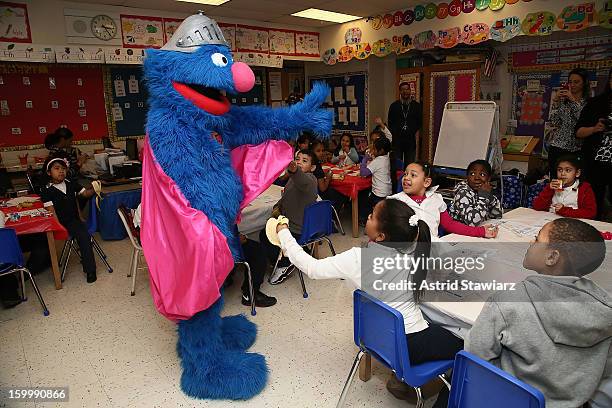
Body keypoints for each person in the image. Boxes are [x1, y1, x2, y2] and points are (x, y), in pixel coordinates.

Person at [273, 198, 463, 408]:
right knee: (469, 349)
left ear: (381, 236)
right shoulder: (415, 251)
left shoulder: (358, 258)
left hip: (375, 337)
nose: (368, 217)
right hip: (410, 343)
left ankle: (402, 385)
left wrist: (283, 232)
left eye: (371, 216)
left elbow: (312, 268)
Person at [466, 218, 611, 408]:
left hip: (510, 400)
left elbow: (475, 357)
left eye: (537, 239)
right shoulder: (605, 308)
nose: (530, 242)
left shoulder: (508, 301)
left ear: (552, 257)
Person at [389, 161, 498, 239]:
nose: (406, 178)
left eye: (413, 175)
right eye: (406, 174)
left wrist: (481, 231)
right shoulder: (395, 202)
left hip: (431, 251)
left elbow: (450, 225)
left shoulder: (436, 199)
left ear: (426, 182)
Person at [261, 149, 318, 285]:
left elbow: (302, 181)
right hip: (289, 222)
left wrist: (293, 170)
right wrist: (278, 206)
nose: (299, 162)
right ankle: (296, 253)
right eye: (297, 159)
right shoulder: (293, 180)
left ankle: (286, 262)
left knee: (265, 235)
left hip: (297, 229)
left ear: (313, 167)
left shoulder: (310, 179)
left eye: (305, 161)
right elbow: (286, 196)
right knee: (265, 231)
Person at [40, 154, 99, 283]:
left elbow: (85, 194)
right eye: (56, 168)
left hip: (73, 221)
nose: (61, 171)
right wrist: (60, 229)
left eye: (63, 168)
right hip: (59, 222)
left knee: (83, 235)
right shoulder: (46, 190)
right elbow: (52, 212)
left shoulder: (70, 183)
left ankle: (90, 270)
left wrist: (96, 186)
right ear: (49, 172)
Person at [576, 69, 612, 219]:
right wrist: (595, 128)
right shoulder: (596, 103)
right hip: (596, 161)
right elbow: (578, 132)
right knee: (593, 201)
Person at [546, 68, 589, 178]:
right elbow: (553, 122)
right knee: (557, 183)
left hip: (576, 150)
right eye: (570, 82)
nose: (572, 85)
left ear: (584, 83)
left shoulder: (588, 103)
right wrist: (556, 101)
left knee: (573, 185)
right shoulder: (564, 102)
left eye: (576, 82)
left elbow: (583, 120)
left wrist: (574, 101)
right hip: (558, 147)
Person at [532, 154, 597, 219]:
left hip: (573, 221)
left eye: (567, 170)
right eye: (560, 170)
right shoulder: (552, 186)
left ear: (577, 173)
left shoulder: (584, 188)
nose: (562, 174)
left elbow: (590, 213)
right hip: (550, 219)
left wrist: (564, 210)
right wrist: (549, 189)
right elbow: (537, 206)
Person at [449, 160, 502, 226]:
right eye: (472, 174)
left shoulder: (484, 191)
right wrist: (483, 197)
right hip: (458, 232)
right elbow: (472, 223)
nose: (477, 178)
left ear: (488, 179)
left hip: (478, 230)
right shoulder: (462, 193)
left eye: (482, 174)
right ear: (467, 177)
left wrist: (490, 197)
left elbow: (497, 215)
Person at [388, 82, 422, 166]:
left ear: (410, 91)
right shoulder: (394, 106)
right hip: (397, 141)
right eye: (402, 89)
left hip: (410, 141)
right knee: (397, 165)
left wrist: (412, 130)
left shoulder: (416, 106)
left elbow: (419, 122)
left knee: (409, 165)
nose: (405, 91)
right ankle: (397, 179)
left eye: (407, 89)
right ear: (400, 91)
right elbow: (390, 122)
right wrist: (396, 131)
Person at [359, 136, 392, 222]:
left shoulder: (378, 160)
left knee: (364, 200)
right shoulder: (386, 157)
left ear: (381, 151)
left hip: (378, 194)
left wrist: (364, 160)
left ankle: (365, 220)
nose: (372, 150)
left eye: (374, 149)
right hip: (387, 191)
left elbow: (363, 173)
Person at [311, 140, 346, 210]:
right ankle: (332, 215)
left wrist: (323, 174)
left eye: (323, 150)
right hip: (319, 195)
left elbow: (317, 176)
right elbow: (323, 188)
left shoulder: (312, 163)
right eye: (318, 151)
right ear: (312, 152)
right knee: (342, 194)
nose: (321, 153)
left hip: (312, 193)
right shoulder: (317, 166)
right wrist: (328, 178)